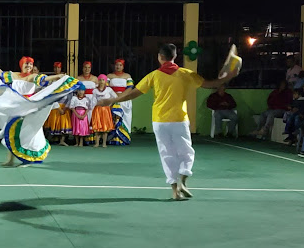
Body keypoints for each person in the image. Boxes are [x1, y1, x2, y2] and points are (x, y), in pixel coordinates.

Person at [98, 43, 239, 200]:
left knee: (167, 154)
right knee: (186, 152)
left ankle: (174, 190)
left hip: (160, 121)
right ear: (175, 57)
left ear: (160, 57)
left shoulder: (154, 76)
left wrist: (113, 100)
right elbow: (211, 84)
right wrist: (229, 76)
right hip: (179, 120)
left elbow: (134, 93)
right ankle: (183, 180)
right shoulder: (186, 74)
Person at [0, 56, 79, 166]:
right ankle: (10, 160)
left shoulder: (33, 76)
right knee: (11, 132)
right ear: (21, 65)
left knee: (29, 134)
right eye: (26, 64)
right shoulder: (13, 75)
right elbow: (1, 73)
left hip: (29, 106)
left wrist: (58, 76)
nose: (29, 66)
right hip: (16, 106)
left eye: (30, 64)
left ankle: (28, 159)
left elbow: (44, 79)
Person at [107, 59, 134, 145]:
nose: (118, 67)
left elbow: (130, 88)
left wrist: (121, 96)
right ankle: (112, 138)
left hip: (124, 99)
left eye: (120, 65)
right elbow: (107, 87)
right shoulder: (110, 76)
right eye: (117, 65)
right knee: (112, 117)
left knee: (124, 119)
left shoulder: (127, 76)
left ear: (123, 66)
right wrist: (115, 96)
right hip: (113, 98)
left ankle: (123, 138)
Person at [91, 74, 117, 147]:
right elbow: (93, 100)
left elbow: (115, 97)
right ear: (98, 81)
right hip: (98, 110)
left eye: (103, 80)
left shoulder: (109, 90)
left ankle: (104, 143)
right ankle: (97, 143)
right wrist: (95, 104)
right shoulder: (95, 90)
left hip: (105, 110)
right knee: (98, 126)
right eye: (100, 80)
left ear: (105, 81)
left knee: (105, 127)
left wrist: (110, 104)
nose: (101, 81)